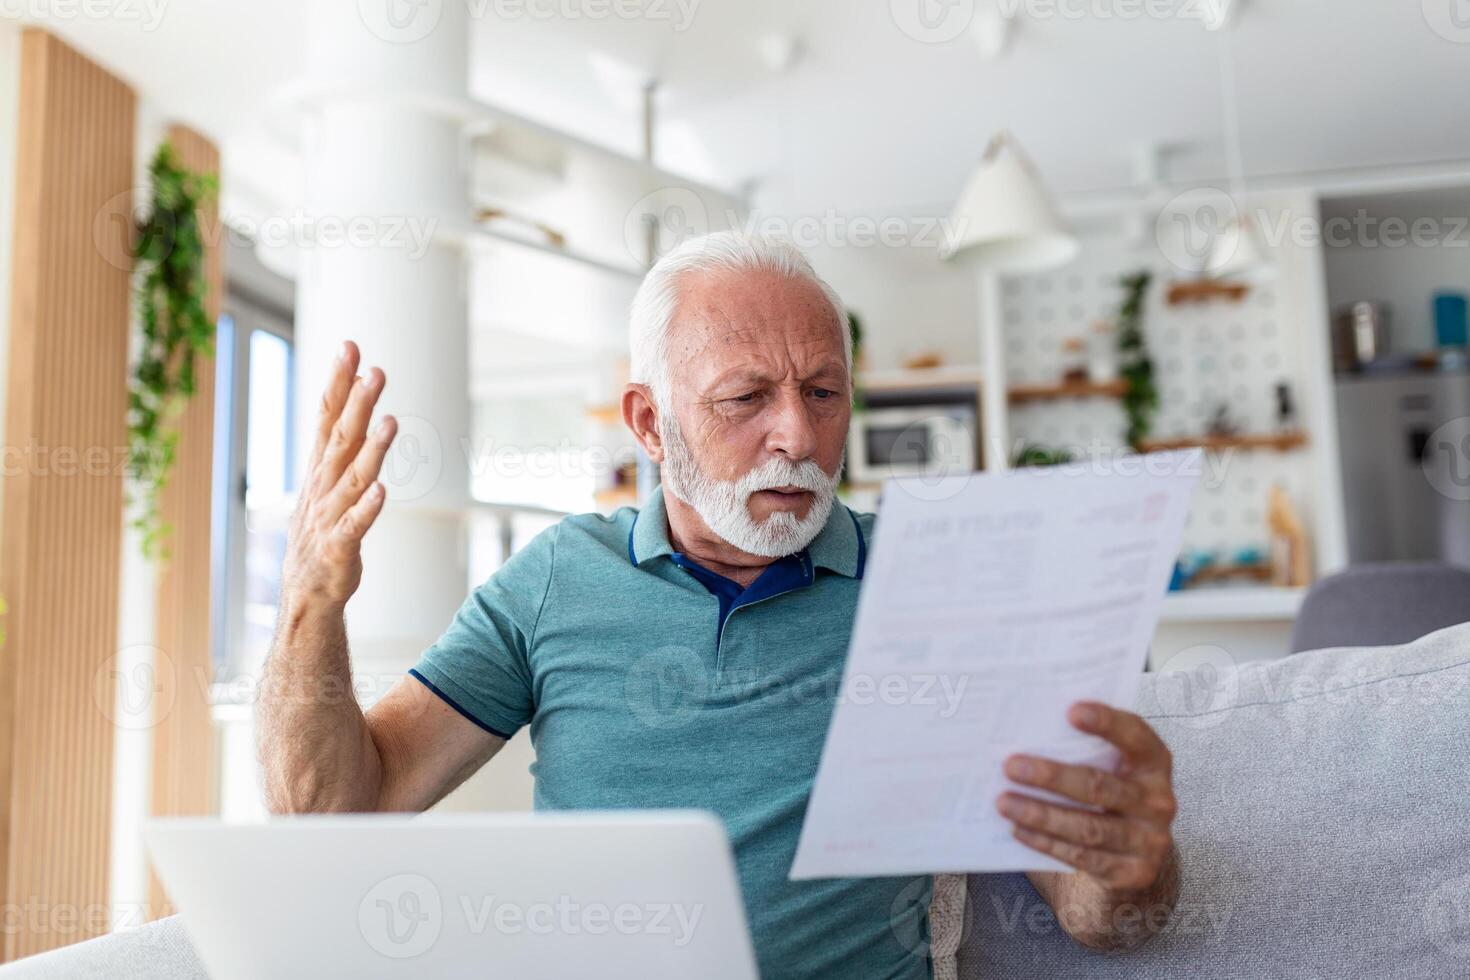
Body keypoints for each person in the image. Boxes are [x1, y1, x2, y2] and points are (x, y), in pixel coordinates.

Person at [257, 231, 1180, 978]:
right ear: (650, 422)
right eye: (746, 397)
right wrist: (308, 606)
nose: (798, 435)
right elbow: (334, 817)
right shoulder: (554, 580)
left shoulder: (940, 581)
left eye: (824, 393)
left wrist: (1132, 870)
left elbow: (1096, 915)